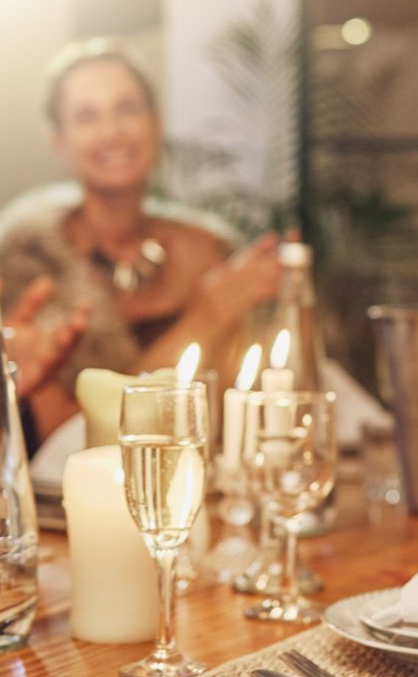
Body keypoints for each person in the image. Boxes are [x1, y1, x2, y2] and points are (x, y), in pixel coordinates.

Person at [0, 40, 282, 445]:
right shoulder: (29, 264)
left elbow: (253, 405)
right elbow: (67, 441)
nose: (112, 131)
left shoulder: (211, 250)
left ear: (156, 121)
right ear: (58, 140)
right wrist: (208, 317)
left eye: (127, 108)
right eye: (86, 116)